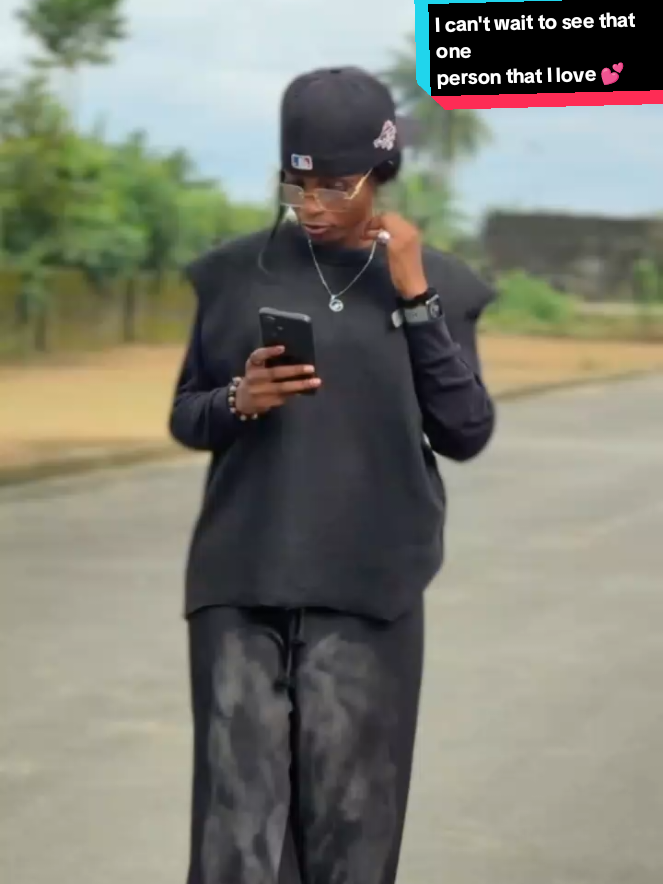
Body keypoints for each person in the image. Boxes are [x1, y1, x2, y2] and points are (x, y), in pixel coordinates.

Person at [169, 66, 496, 884]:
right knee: (235, 843)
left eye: (335, 186)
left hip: (368, 590)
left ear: (380, 172)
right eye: (297, 182)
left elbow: (464, 431)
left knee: (352, 837)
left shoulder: (440, 283)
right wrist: (237, 400)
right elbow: (186, 413)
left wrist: (415, 297)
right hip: (241, 582)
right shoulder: (229, 274)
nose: (311, 204)